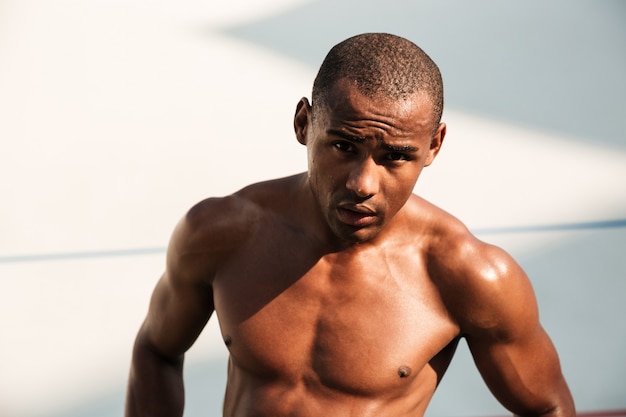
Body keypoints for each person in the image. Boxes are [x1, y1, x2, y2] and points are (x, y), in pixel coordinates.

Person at [125, 33, 575, 417]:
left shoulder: (467, 273)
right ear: (304, 123)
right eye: (343, 146)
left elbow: (548, 407)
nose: (362, 184)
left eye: (396, 156)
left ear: (434, 145)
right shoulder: (220, 232)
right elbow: (157, 351)